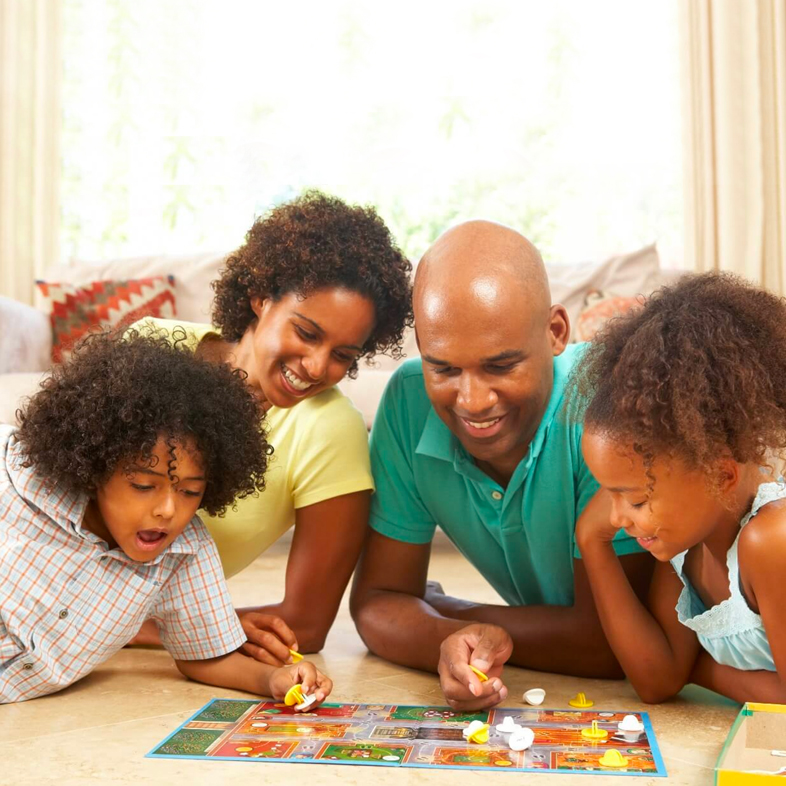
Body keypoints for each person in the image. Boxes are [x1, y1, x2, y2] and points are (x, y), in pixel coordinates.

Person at [350, 220, 652, 710]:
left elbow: (611, 643)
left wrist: (449, 610)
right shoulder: (407, 401)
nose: (471, 401)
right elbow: (376, 605)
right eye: (443, 368)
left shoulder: (605, 408)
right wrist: (446, 641)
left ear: (556, 332)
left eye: (500, 365)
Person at [132, 190, 413, 665]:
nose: (318, 366)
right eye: (306, 333)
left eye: (344, 355)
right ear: (261, 297)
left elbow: (305, 623)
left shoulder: (330, 430)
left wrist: (201, 626)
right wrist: (206, 626)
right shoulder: (148, 347)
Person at [0, 330, 333, 704]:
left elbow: (206, 656)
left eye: (191, 491)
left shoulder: (185, 555)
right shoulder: (14, 482)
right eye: (144, 485)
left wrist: (274, 679)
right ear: (94, 468)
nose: (169, 511)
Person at [574, 272, 786, 704]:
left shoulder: (771, 541)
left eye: (635, 498)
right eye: (609, 493)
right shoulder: (686, 545)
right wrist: (591, 540)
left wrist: (699, 669)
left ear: (721, 476)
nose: (617, 517)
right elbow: (658, 681)